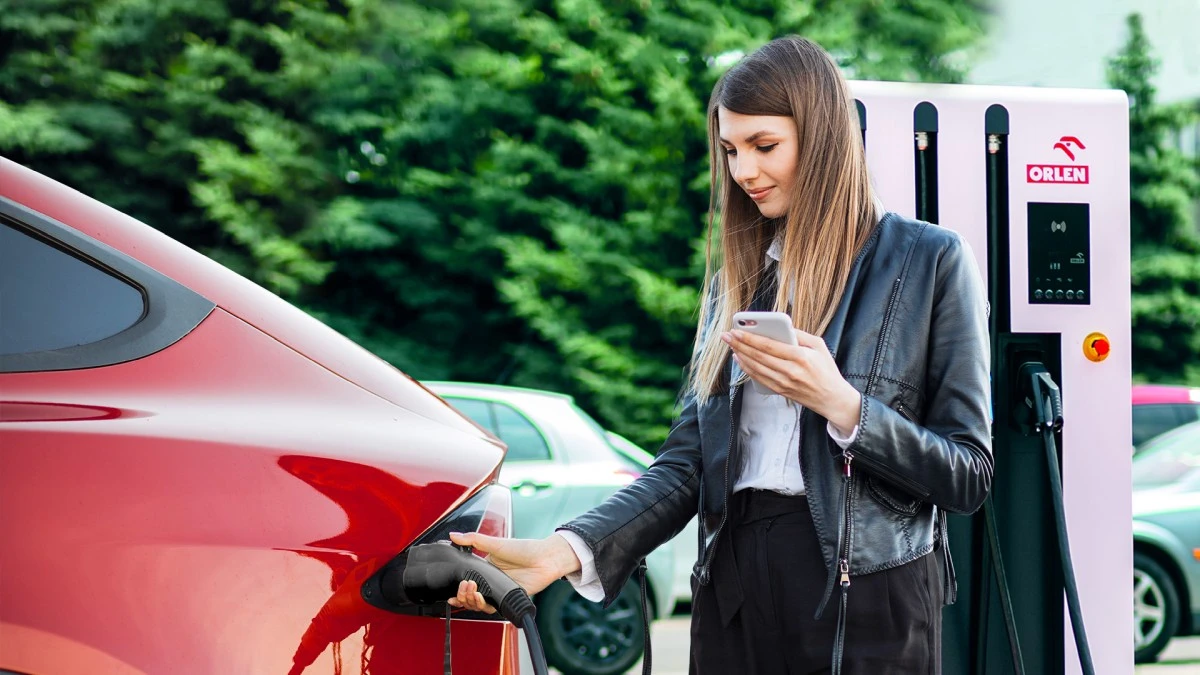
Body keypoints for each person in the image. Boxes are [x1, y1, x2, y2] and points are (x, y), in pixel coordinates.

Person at [448, 35, 992, 674]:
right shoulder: (739, 278)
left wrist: (842, 405)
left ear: (821, 140)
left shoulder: (928, 260)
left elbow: (968, 473)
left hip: (868, 596)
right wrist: (567, 550)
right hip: (734, 582)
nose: (744, 172)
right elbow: (686, 464)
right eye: (731, 150)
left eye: (765, 147)